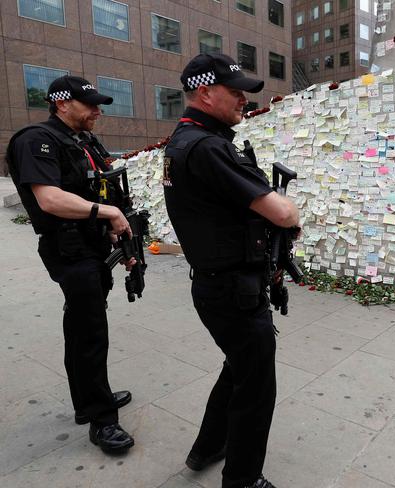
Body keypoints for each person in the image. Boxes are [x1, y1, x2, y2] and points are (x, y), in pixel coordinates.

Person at [163, 53, 300, 488]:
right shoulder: (206, 147)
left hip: (219, 287)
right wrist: (292, 214)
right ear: (205, 92)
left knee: (238, 369)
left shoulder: (188, 140)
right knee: (256, 389)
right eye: (235, 91)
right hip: (232, 292)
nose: (243, 99)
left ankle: (208, 447)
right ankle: (242, 480)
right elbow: (280, 211)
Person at [6, 76, 136, 453]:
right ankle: (101, 420)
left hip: (92, 247)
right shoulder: (36, 140)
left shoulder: (82, 140)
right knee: (89, 333)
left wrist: (113, 227)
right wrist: (106, 212)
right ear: (62, 104)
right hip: (69, 250)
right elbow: (49, 199)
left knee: (85, 328)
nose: (98, 111)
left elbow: (92, 187)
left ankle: (92, 398)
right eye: (90, 104)